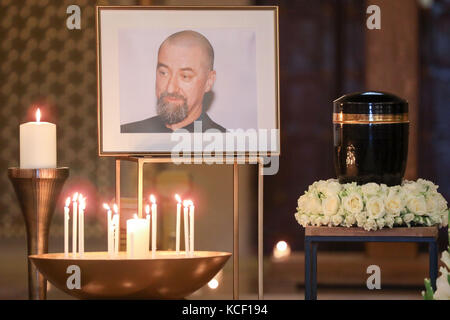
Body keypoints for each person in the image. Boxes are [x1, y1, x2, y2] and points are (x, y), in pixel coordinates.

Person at [121, 30, 226, 133]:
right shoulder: (128, 133)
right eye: (164, 73)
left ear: (209, 81)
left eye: (185, 76)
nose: (170, 88)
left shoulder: (227, 145)